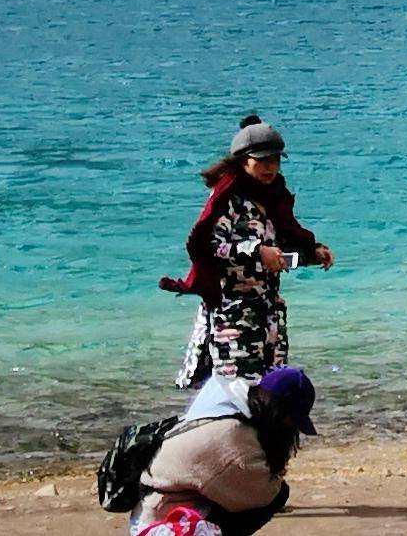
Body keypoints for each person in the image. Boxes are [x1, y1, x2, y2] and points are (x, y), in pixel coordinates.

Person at [171, 115, 330, 389]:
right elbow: (208, 246)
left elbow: (281, 245)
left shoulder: (273, 199)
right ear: (243, 161)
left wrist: (311, 253)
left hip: (269, 315)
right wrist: (256, 251)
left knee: (272, 392)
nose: (271, 167)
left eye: (276, 160)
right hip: (232, 315)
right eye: (263, 161)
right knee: (234, 391)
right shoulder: (227, 200)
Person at [127, 363, 315, 536]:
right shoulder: (235, 439)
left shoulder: (224, 396)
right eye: (291, 422)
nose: (291, 429)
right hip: (161, 524)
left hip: (153, 505)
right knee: (278, 494)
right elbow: (265, 493)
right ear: (278, 410)